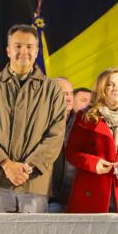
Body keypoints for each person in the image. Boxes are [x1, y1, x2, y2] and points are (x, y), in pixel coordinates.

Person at [0, 25, 66, 213]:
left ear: (37, 51)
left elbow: (55, 135)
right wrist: (6, 165)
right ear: (8, 50)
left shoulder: (53, 90)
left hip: (35, 183)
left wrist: (27, 167)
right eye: (18, 46)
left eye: (29, 47)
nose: (24, 51)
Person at [65, 69, 118, 213]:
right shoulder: (85, 117)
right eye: (111, 84)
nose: (117, 88)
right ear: (102, 88)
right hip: (91, 193)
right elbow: (71, 152)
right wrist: (93, 163)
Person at [49, 77, 77, 212]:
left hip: (73, 196)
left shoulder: (82, 123)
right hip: (45, 197)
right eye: (64, 94)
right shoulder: (39, 122)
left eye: (71, 93)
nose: (69, 98)